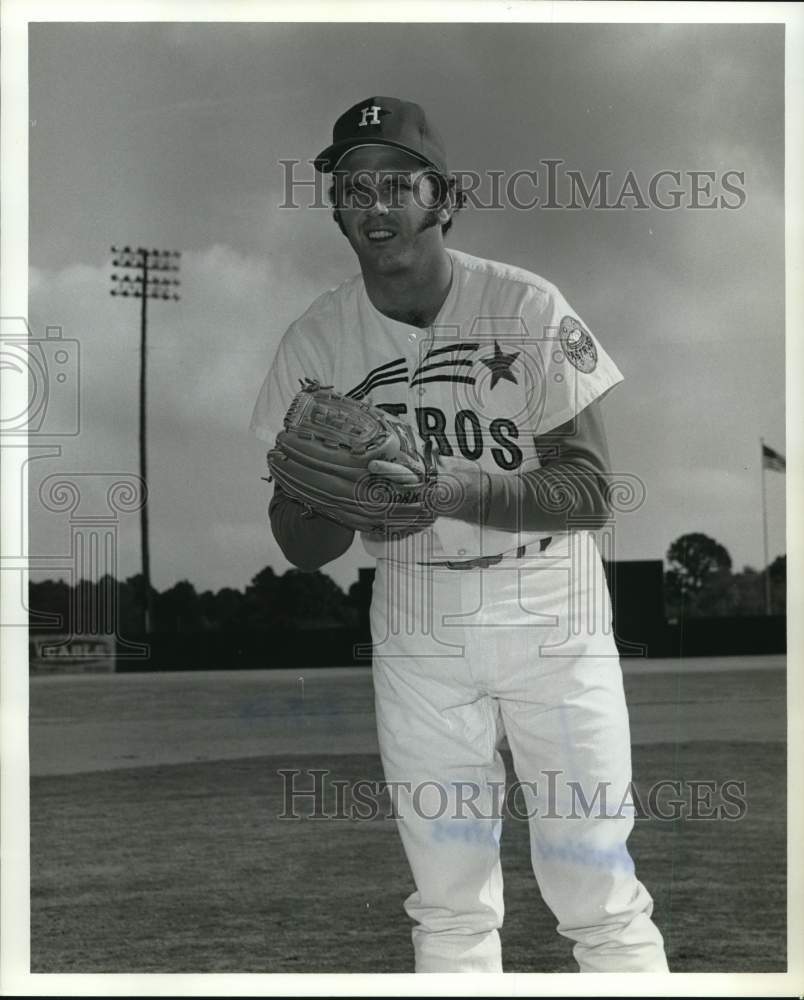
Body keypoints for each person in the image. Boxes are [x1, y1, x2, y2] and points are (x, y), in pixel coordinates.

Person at [250, 96, 669, 974]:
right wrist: (334, 496)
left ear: (445, 198)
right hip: (414, 604)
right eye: (353, 185)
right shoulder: (314, 341)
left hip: (551, 599)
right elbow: (301, 545)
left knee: (598, 892)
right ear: (334, 207)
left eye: (399, 182)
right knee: (447, 904)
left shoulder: (527, 305)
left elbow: (589, 491)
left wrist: (447, 483)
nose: (376, 203)